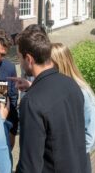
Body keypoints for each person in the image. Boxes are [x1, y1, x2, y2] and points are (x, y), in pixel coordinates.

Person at [15, 29, 87, 172]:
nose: (20, 63)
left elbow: (30, 165)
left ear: (29, 59)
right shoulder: (71, 84)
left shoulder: (31, 102)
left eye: (19, 58)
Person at [51, 43, 95, 173]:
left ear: (59, 64)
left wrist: (70, 157)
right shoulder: (56, 87)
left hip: (75, 162)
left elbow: (89, 135)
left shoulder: (83, 93)